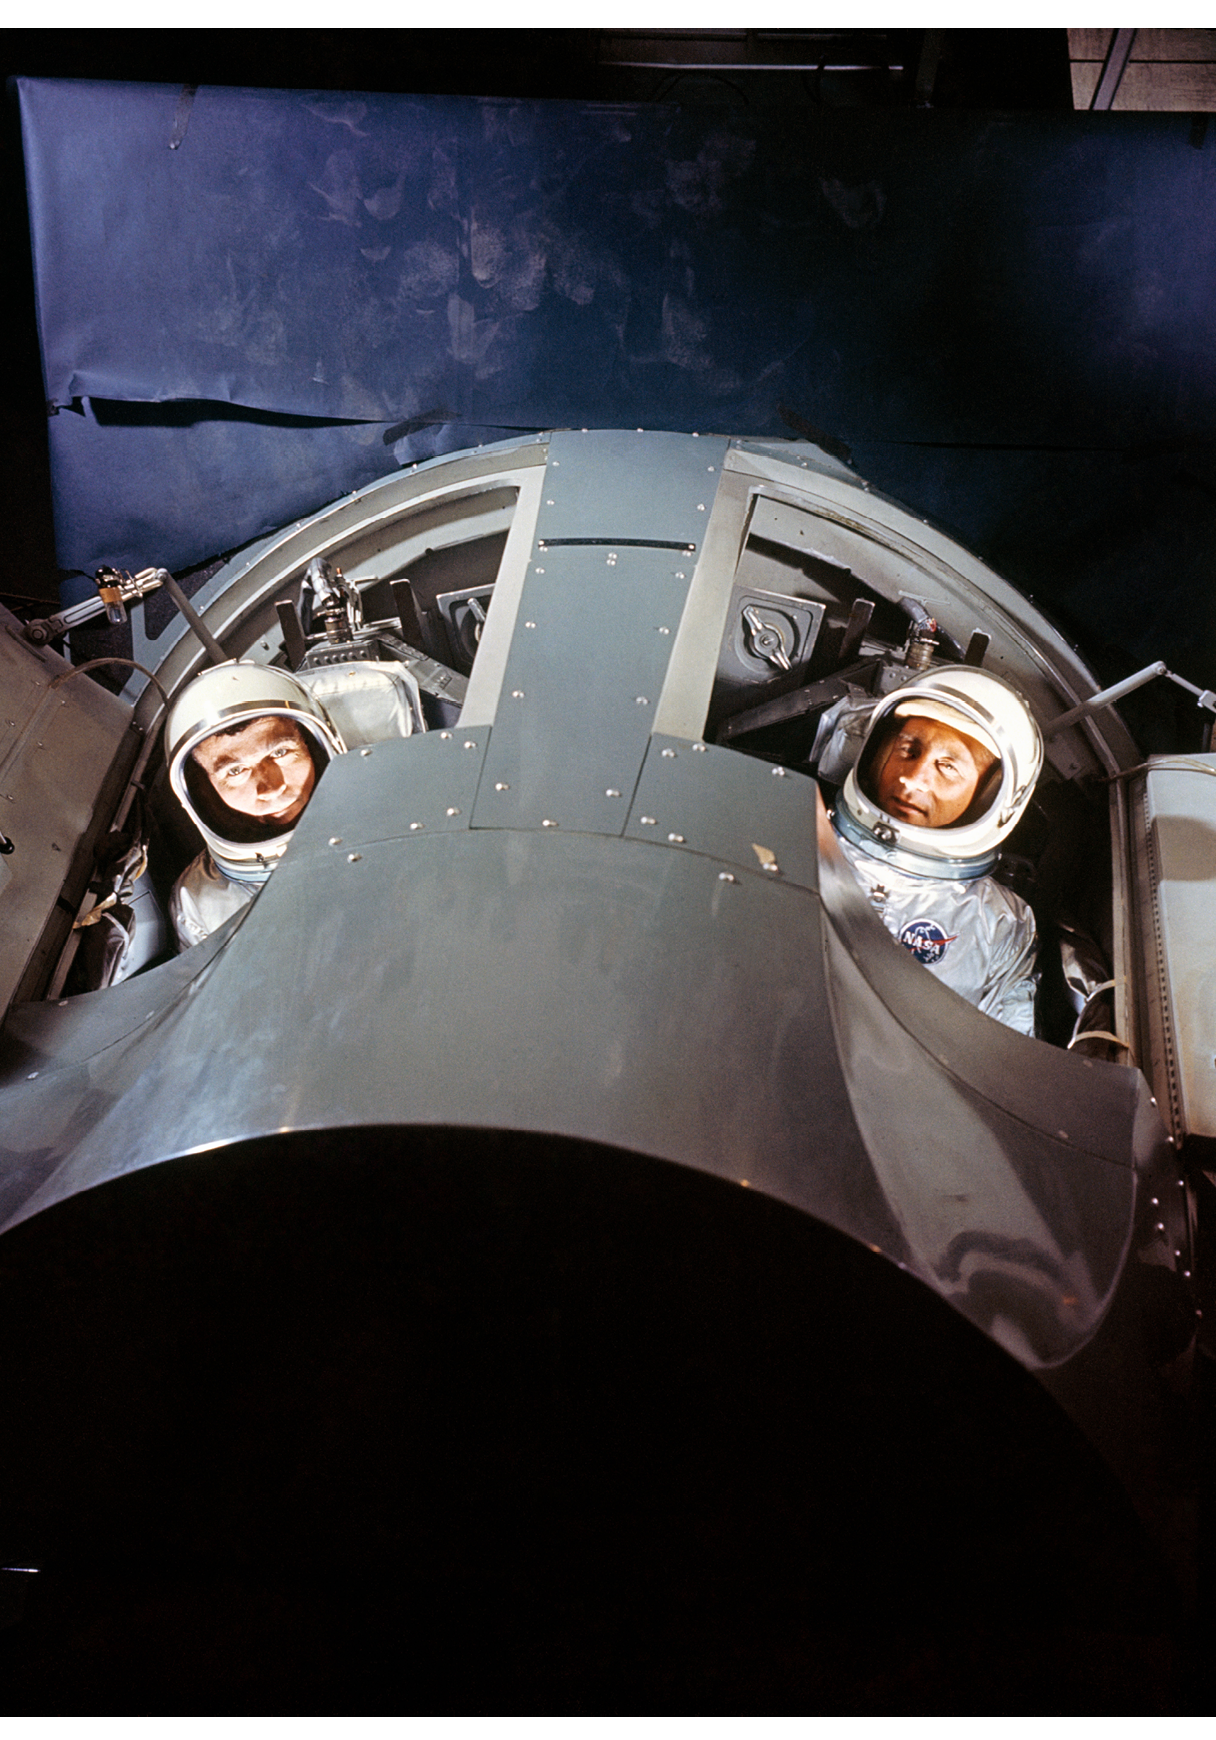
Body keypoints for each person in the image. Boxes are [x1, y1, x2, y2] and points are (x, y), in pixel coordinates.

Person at [827, 666, 1044, 1035]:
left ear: (990, 797)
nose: (913, 777)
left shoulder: (1002, 924)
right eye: (907, 750)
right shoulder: (795, 841)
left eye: (946, 766)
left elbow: (1002, 1058)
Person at [165, 655, 424, 947]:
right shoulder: (200, 905)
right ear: (204, 791)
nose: (270, 787)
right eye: (235, 771)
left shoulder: (409, 830)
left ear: (316, 747)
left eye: (280, 753)